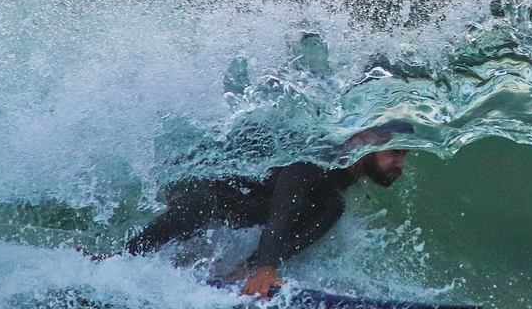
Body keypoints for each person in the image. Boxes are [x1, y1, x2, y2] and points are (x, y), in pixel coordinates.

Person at [125, 121, 414, 297]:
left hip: (238, 204)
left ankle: (242, 271)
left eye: (404, 155)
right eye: (394, 153)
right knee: (200, 206)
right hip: (197, 177)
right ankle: (124, 259)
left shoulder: (336, 187)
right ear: (363, 139)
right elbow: (282, 213)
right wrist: (268, 271)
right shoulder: (311, 160)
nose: (399, 165)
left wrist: (259, 269)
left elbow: (291, 221)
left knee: (332, 207)